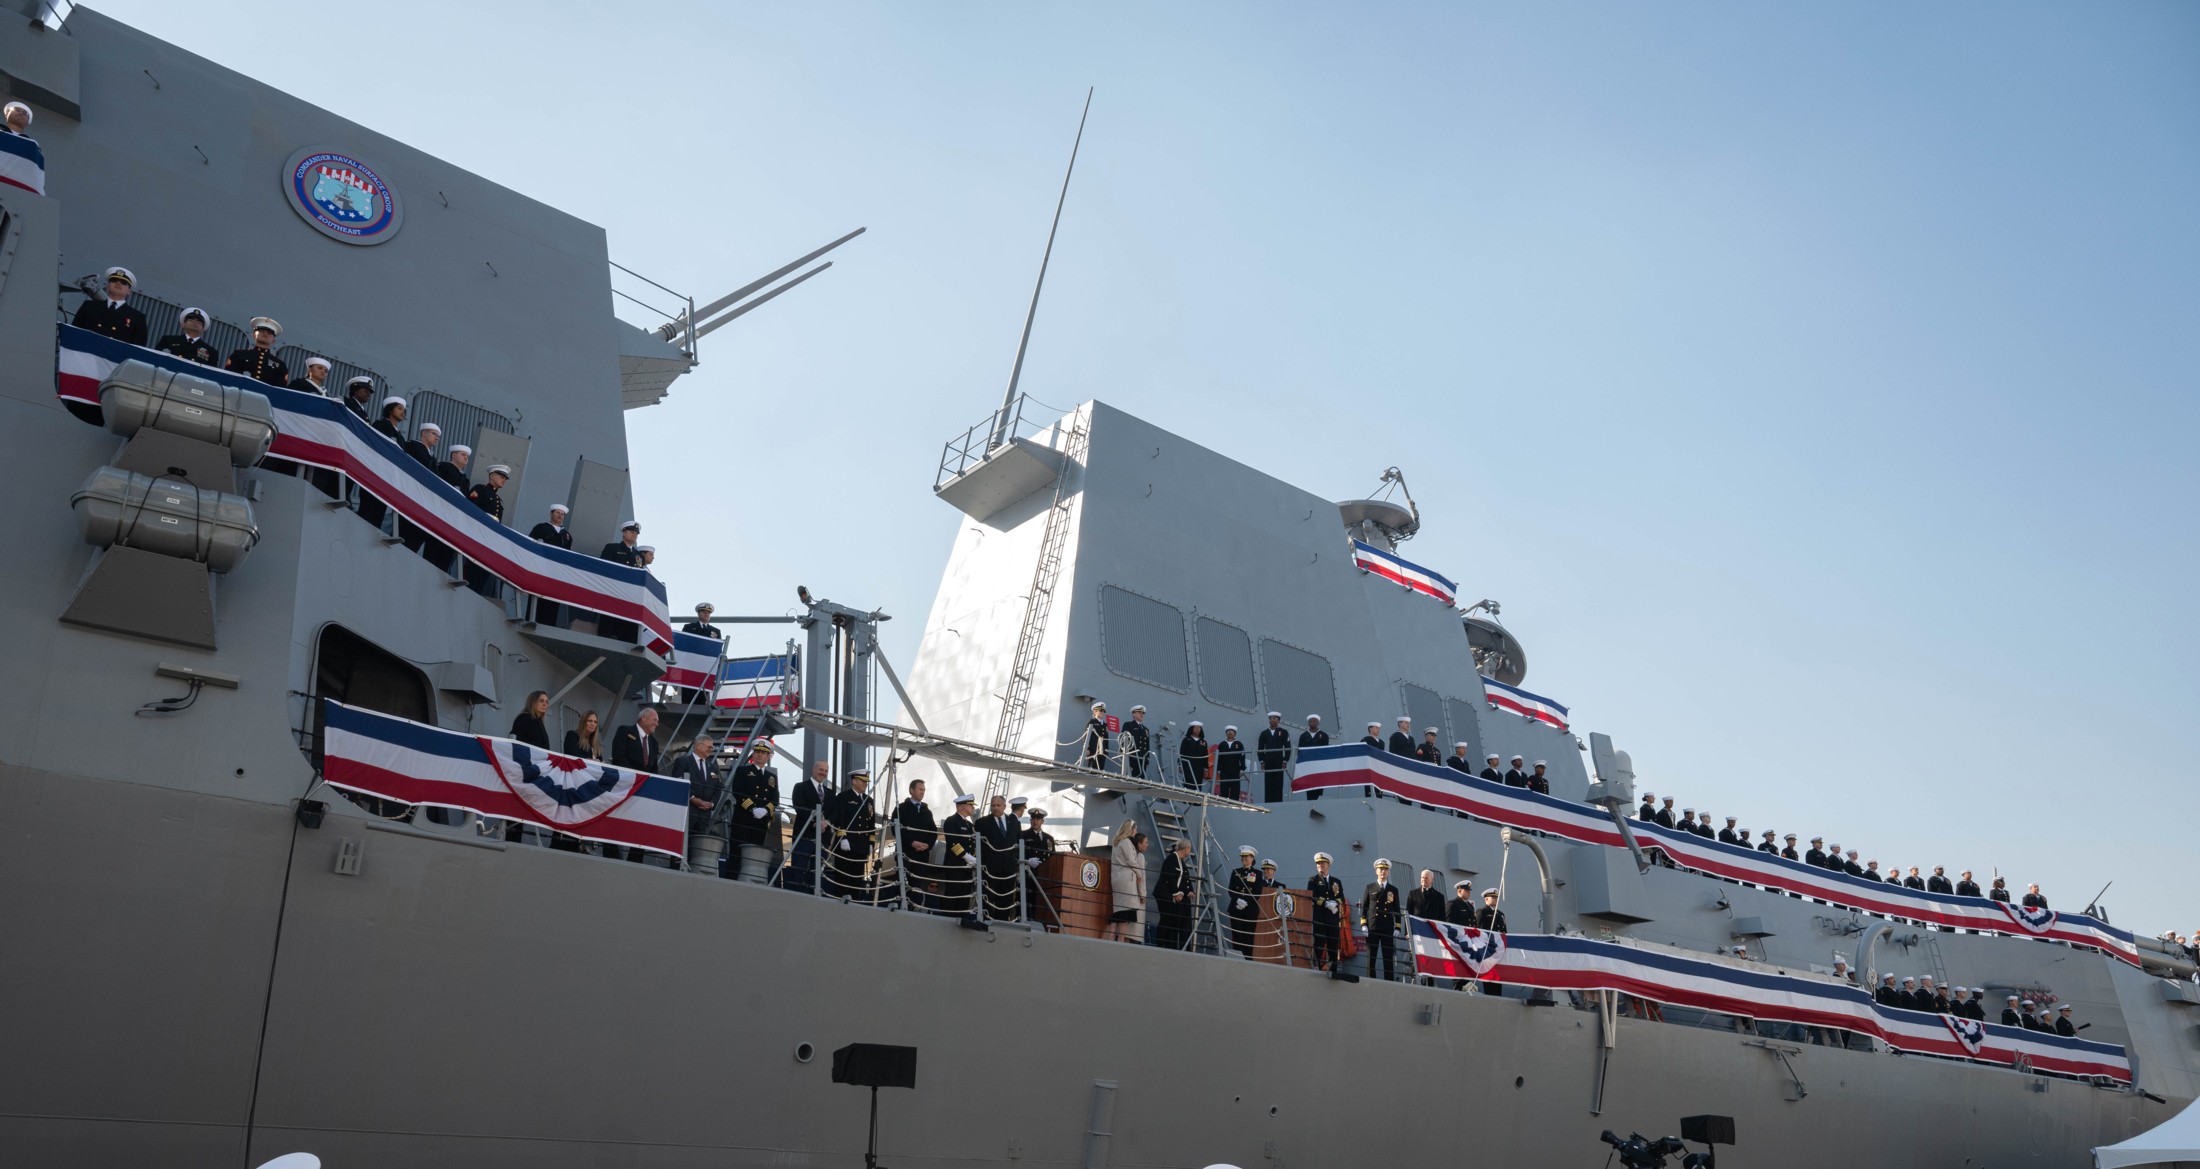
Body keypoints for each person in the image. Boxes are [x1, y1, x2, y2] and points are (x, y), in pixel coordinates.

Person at [607, 708, 662, 863]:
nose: (657, 724)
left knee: (640, 825)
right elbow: (619, 756)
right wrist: (633, 778)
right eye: (655, 720)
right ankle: (612, 856)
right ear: (644, 718)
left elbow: (654, 768)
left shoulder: (654, 742)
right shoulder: (625, 731)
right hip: (624, 786)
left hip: (642, 791)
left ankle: (635, 860)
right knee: (617, 821)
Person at [727, 741, 780, 881]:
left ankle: (750, 881)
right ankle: (731, 881)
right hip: (743, 820)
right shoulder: (743, 771)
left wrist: (766, 810)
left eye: (763, 753)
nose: (759, 755)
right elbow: (738, 791)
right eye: (757, 752)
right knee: (736, 855)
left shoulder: (771, 777)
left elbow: (775, 798)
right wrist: (753, 808)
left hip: (760, 822)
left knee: (754, 856)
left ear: (768, 756)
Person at [823, 769, 878, 900]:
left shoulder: (868, 800)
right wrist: (842, 837)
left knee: (857, 877)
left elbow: (871, 824)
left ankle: (855, 899)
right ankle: (841, 898)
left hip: (861, 846)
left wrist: (871, 843)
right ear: (854, 781)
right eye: (863, 781)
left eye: (866, 782)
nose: (865, 784)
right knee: (843, 876)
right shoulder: (843, 797)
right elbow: (839, 819)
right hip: (846, 844)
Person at [672, 735, 721, 875]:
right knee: (681, 847)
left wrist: (711, 804)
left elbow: (718, 789)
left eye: (712, 747)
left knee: (698, 849)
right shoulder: (683, 762)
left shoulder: (713, 766)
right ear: (698, 745)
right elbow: (679, 782)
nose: (711, 750)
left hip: (704, 815)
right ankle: (676, 873)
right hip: (687, 812)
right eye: (709, 746)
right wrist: (693, 798)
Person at [888, 777, 938, 907]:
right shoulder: (901, 808)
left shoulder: (927, 812)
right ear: (911, 790)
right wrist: (911, 842)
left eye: (924, 790)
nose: (922, 792)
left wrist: (928, 845)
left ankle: (912, 909)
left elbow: (933, 831)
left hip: (921, 856)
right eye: (920, 789)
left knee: (916, 886)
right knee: (902, 883)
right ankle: (899, 907)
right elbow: (896, 829)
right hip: (905, 853)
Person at [783, 761, 831, 893]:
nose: (823, 773)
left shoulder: (830, 793)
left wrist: (825, 822)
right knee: (799, 869)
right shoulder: (800, 787)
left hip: (823, 838)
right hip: (804, 835)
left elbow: (835, 812)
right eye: (821, 770)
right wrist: (816, 821)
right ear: (813, 770)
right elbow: (799, 806)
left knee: (818, 872)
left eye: (826, 771)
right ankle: (797, 895)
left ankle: (814, 896)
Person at [73, 266, 149, 345]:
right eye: (114, 280)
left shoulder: (137, 318)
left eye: (123, 282)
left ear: (129, 291)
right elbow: (73, 333)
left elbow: (138, 348)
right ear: (108, 286)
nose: (118, 283)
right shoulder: (89, 307)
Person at [978, 795, 1022, 920]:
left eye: (998, 805)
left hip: (1008, 869)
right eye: (993, 805)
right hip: (990, 869)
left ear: (1004, 807)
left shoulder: (1014, 823)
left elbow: (1019, 843)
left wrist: (1017, 864)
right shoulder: (982, 823)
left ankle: (1002, 925)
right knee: (988, 899)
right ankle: (985, 923)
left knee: (1005, 901)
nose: (995, 808)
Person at [1361, 859, 1402, 982]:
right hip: (1372, 926)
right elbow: (1365, 907)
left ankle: (1389, 981)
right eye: (1380, 869)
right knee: (1371, 957)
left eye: (1385, 869)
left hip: (1387, 927)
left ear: (1388, 872)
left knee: (1388, 957)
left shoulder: (1393, 890)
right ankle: (1370, 980)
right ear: (1376, 871)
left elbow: (1396, 909)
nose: (1383, 871)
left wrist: (1398, 927)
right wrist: (1364, 925)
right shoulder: (1370, 887)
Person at [941, 793, 980, 916]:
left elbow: (973, 843)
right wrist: (966, 856)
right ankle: (948, 918)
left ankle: (961, 916)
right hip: (955, 865)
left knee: (964, 895)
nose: (973, 808)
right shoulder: (952, 821)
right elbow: (953, 843)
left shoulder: (969, 825)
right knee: (953, 893)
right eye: (971, 806)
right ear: (962, 807)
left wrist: (974, 857)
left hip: (967, 867)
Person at [1305, 852, 1345, 971]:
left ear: (1328, 865)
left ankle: (1333, 968)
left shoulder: (1336, 881)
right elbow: (1312, 895)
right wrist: (1326, 903)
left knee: (1333, 943)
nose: (1320, 865)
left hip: (1333, 918)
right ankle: (1318, 965)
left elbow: (1341, 897)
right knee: (1319, 943)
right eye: (1318, 863)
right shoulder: (1313, 880)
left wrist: (1335, 903)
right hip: (1320, 917)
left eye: (1322, 863)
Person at [1155, 839, 1197, 951]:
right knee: (1166, 919)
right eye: (1190, 848)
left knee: (1171, 920)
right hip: (1164, 894)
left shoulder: (1178, 860)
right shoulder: (1172, 858)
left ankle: (1169, 945)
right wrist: (1176, 893)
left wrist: (1187, 892)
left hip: (1172, 895)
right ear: (1186, 848)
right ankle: (1161, 944)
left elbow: (1182, 879)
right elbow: (1169, 876)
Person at [1108, 825, 1147, 943]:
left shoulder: (1117, 843)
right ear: (1130, 830)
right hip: (1126, 881)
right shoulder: (1126, 842)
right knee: (1126, 913)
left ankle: (1109, 940)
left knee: (1118, 912)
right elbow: (1131, 860)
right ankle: (1120, 941)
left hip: (1117, 879)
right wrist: (1139, 874)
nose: (1135, 832)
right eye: (1135, 829)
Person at [224, 317, 289, 386]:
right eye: (261, 331)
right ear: (254, 335)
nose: (265, 333)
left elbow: (280, 388)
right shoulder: (239, 355)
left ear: (273, 341)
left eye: (269, 333)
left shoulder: (280, 365)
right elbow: (228, 377)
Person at [1020, 807, 1059, 922]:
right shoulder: (1023, 835)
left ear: (1042, 821)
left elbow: (1053, 857)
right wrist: (1027, 860)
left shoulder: (1049, 839)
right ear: (1030, 820)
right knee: (1028, 901)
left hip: (1044, 876)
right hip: (1028, 875)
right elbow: (1017, 853)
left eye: (1038, 819)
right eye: (1033, 819)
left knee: (1041, 903)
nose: (1035, 821)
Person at [1224, 846, 1263, 956]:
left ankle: (1247, 959)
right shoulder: (1236, 871)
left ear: (1252, 858)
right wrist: (1238, 900)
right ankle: (1236, 957)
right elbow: (1230, 889)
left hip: (1250, 909)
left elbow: (1257, 891)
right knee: (1236, 936)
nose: (1243, 858)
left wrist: (1245, 902)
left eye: (1246, 856)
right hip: (1236, 908)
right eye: (1242, 856)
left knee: (1248, 936)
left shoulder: (1257, 874)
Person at [154, 306, 218, 366]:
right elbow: (155, 359)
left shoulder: (211, 352)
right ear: (183, 325)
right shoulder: (168, 340)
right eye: (191, 320)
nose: (195, 322)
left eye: (199, 322)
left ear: (203, 329)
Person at [1256, 713, 1292, 802]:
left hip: (1279, 761)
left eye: (1275, 718)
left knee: (1278, 784)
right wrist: (1262, 761)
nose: (1273, 720)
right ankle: (1268, 803)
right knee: (1268, 783)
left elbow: (1287, 747)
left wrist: (1285, 760)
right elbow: (1260, 748)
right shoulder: (1264, 733)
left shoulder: (1283, 732)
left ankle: (1278, 803)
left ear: (1278, 720)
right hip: (1268, 761)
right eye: (1271, 718)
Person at [1296, 715, 1328, 800]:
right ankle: (1309, 802)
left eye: (1314, 721)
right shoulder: (1303, 736)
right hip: (1308, 765)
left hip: (1319, 765)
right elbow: (1300, 751)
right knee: (1309, 786)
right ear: (1308, 723)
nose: (1312, 723)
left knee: (1319, 785)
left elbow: (1326, 750)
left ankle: (1318, 803)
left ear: (1318, 723)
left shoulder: (1324, 735)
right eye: (1311, 721)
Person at [1212, 726, 1246, 801]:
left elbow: (1242, 757)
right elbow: (1219, 758)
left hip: (1235, 770)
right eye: (1228, 731)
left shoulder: (1239, 744)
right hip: (1224, 770)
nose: (1230, 732)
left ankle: (1234, 804)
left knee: (1235, 789)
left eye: (1232, 731)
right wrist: (1218, 769)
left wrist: (1242, 769)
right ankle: (1223, 804)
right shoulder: (1222, 744)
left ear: (1235, 733)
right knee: (1224, 788)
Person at [1177, 722, 1210, 791]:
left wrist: (1206, 768)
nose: (1198, 729)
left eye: (1199, 728)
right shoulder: (1186, 740)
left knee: (1198, 783)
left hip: (1199, 766)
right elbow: (1181, 752)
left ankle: (1197, 801)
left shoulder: (1203, 742)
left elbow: (1205, 756)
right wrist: (1180, 765)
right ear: (1192, 729)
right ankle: (1187, 800)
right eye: (1196, 728)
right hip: (1188, 764)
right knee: (1188, 782)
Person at [1080, 702, 1111, 771]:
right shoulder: (1092, 722)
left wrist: (1106, 750)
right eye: (1101, 710)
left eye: (1103, 711)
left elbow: (1106, 738)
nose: (1103, 712)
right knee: (1092, 769)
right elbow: (1086, 735)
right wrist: (1086, 748)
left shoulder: (1105, 725)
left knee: (1100, 769)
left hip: (1102, 751)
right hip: (1093, 750)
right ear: (1095, 711)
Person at [1124, 705, 1153, 779]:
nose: (1142, 714)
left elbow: (1147, 745)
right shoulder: (1129, 725)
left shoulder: (1146, 729)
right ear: (1134, 714)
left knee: (1141, 776)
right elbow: (1124, 739)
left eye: (1143, 713)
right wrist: (1124, 753)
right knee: (1133, 776)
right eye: (1139, 712)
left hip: (1143, 757)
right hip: (1133, 756)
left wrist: (1148, 758)